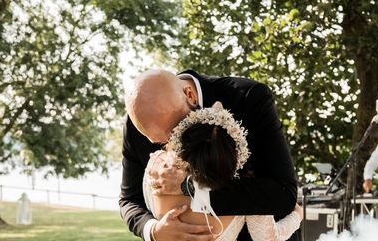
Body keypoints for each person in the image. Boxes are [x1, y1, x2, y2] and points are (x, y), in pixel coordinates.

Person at [120, 69, 298, 241]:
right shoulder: (139, 122)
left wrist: (190, 187)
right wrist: (153, 231)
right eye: (159, 142)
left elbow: (283, 193)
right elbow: (130, 199)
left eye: (175, 132)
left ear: (190, 94)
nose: (171, 149)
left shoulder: (248, 97)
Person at [142, 102, 303, 240]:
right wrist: (297, 215)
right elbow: (267, 238)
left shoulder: (156, 165)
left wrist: (155, 232)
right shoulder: (246, 194)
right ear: (234, 157)